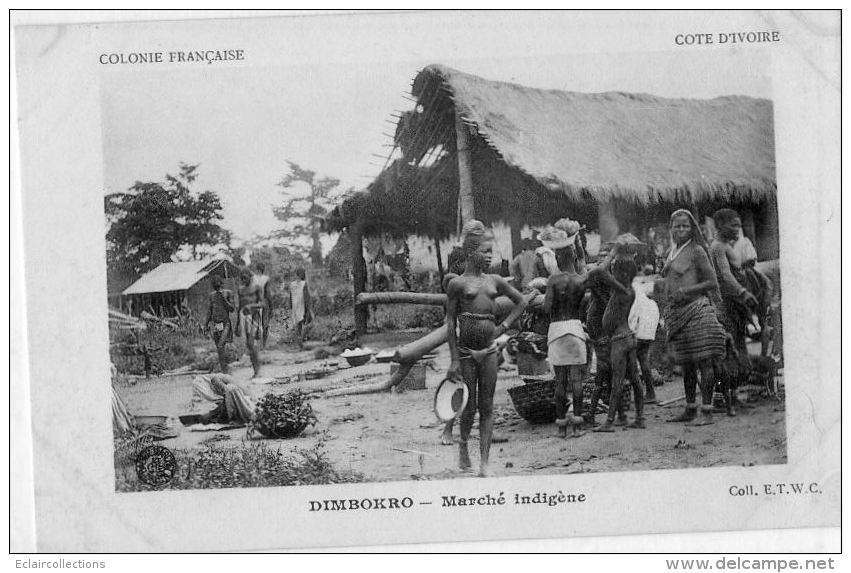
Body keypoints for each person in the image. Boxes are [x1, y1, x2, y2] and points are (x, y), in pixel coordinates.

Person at [446, 220, 527, 477]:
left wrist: (503, 328)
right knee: (468, 407)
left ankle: (484, 462)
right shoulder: (457, 284)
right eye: (486, 251)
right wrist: (454, 360)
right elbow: (449, 323)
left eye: (491, 251)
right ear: (471, 252)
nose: (490, 256)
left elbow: (521, 301)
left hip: (490, 350)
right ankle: (463, 448)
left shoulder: (495, 281)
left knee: (488, 405)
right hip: (467, 353)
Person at [662, 209, 728, 426]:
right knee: (687, 365)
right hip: (678, 315)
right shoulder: (671, 253)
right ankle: (690, 408)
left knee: (704, 361)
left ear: (692, 229)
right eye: (677, 226)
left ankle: (707, 411)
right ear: (671, 228)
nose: (680, 230)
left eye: (685, 226)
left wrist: (687, 291)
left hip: (697, 311)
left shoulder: (698, 250)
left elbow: (712, 283)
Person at [709, 208, 761, 416]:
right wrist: (742, 292)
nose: (737, 229)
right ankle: (725, 398)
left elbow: (736, 271)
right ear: (720, 226)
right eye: (733, 225)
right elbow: (724, 275)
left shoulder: (728, 246)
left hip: (736, 304)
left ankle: (733, 396)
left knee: (739, 347)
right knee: (730, 351)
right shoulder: (717, 247)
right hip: (726, 304)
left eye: (739, 225)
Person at [590, 238, 645, 431]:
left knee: (617, 382)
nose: (611, 270)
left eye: (614, 268)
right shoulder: (629, 290)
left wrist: (613, 251)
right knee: (635, 379)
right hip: (627, 337)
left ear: (620, 273)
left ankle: (610, 421)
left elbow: (598, 271)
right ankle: (640, 418)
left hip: (619, 340)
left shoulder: (620, 289)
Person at [544, 264, 588, 437]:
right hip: (576, 329)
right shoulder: (580, 279)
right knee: (577, 381)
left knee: (560, 382)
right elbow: (583, 303)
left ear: (557, 258)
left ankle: (562, 428)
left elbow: (546, 308)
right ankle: (577, 426)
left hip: (556, 331)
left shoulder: (553, 280)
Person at [629, 280, 661, 403]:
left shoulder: (631, 290)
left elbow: (632, 313)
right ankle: (650, 392)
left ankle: (639, 394)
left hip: (639, 328)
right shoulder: (642, 292)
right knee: (643, 359)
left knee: (631, 361)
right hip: (648, 328)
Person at [235, 268, 264, 378]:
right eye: (241, 278)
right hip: (245, 318)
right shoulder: (240, 290)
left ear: (250, 277)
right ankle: (255, 369)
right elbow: (239, 307)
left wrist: (251, 306)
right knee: (249, 344)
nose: (243, 280)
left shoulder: (257, 288)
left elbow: (262, 304)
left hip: (255, 317)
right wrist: (237, 324)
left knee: (251, 343)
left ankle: (257, 370)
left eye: (245, 278)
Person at [204, 275, 234, 373]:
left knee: (221, 346)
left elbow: (232, 309)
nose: (217, 287)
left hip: (225, 324)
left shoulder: (228, 293)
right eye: (215, 286)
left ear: (221, 284)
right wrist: (205, 324)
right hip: (215, 325)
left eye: (218, 284)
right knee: (219, 348)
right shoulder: (212, 295)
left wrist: (224, 299)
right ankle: (224, 370)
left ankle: (225, 371)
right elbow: (209, 310)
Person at [289, 268, 312, 347]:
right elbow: (306, 297)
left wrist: (291, 306)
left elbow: (290, 296)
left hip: (295, 305)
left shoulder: (292, 284)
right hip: (302, 305)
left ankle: (300, 339)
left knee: (298, 324)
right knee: (307, 322)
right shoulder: (304, 284)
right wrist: (308, 308)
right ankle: (301, 340)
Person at [252, 263, 273, 348]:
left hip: (255, 302)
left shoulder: (252, 278)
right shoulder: (266, 279)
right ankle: (264, 345)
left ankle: (255, 344)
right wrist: (271, 306)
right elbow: (268, 294)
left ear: (257, 269)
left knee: (255, 323)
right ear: (263, 270)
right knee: (265, 324)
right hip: (264, 302)